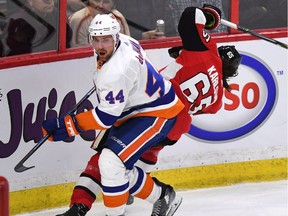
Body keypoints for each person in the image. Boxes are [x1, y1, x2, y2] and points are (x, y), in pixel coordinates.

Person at [43, 4, 242, 216]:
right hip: (175, 123)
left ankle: (148, 194)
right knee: (122, 160)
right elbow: (201, 96)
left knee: (113, 163)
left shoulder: (207, 53)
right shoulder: (217, 98)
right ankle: (90, 203)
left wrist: (211, 16)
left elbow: (190, 18)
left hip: (158, 110)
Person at [42, 13, 185, 216]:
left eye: (106, 39)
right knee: (104, 162)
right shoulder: (125, 41)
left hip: (157, 112)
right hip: (132, 109)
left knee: (111, 162)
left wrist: (68, 126)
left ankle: (160, 196)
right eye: (97, 40)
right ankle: (78, 208)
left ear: (115, 37)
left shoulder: (117, 71)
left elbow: (106, 118)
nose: (101, 46)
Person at [1, 0, 72, 56]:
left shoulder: (59, 15)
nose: (50, 2)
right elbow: (14, 55)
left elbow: (67, 44)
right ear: (30, 1)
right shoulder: (18, 22)